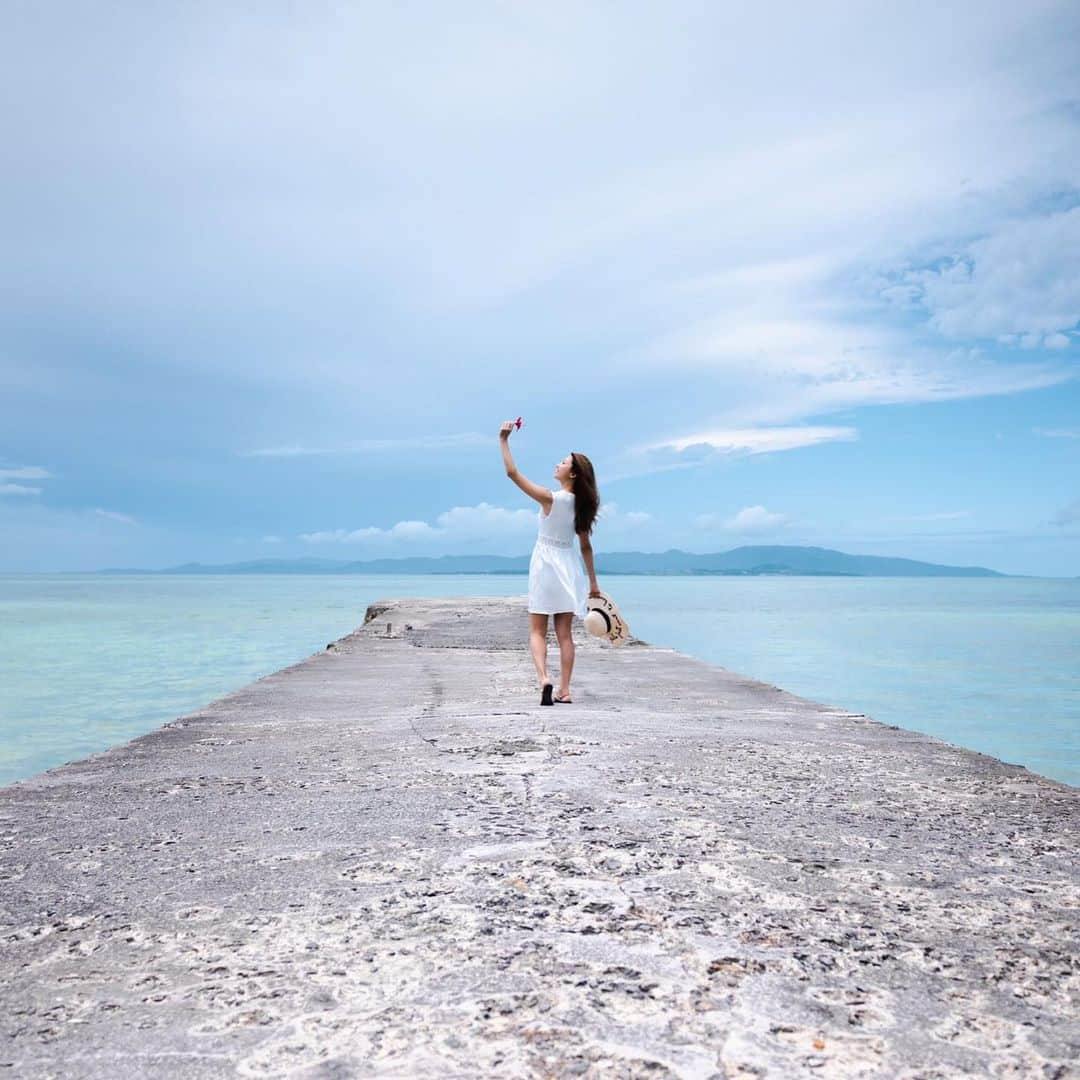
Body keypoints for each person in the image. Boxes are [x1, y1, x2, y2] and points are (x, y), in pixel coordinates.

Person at [499, 420, 601, 706]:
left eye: (564, 462)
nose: (558, 465)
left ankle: (544, 677)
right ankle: (565, 690)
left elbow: (512, 473)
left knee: (536, 630)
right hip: (568, 566)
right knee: (565, 633)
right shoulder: (581, 506)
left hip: (544, 564)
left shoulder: (549, 498)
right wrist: (593, 583)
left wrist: (504, 440)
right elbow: (586, 547)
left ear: (574, 473)